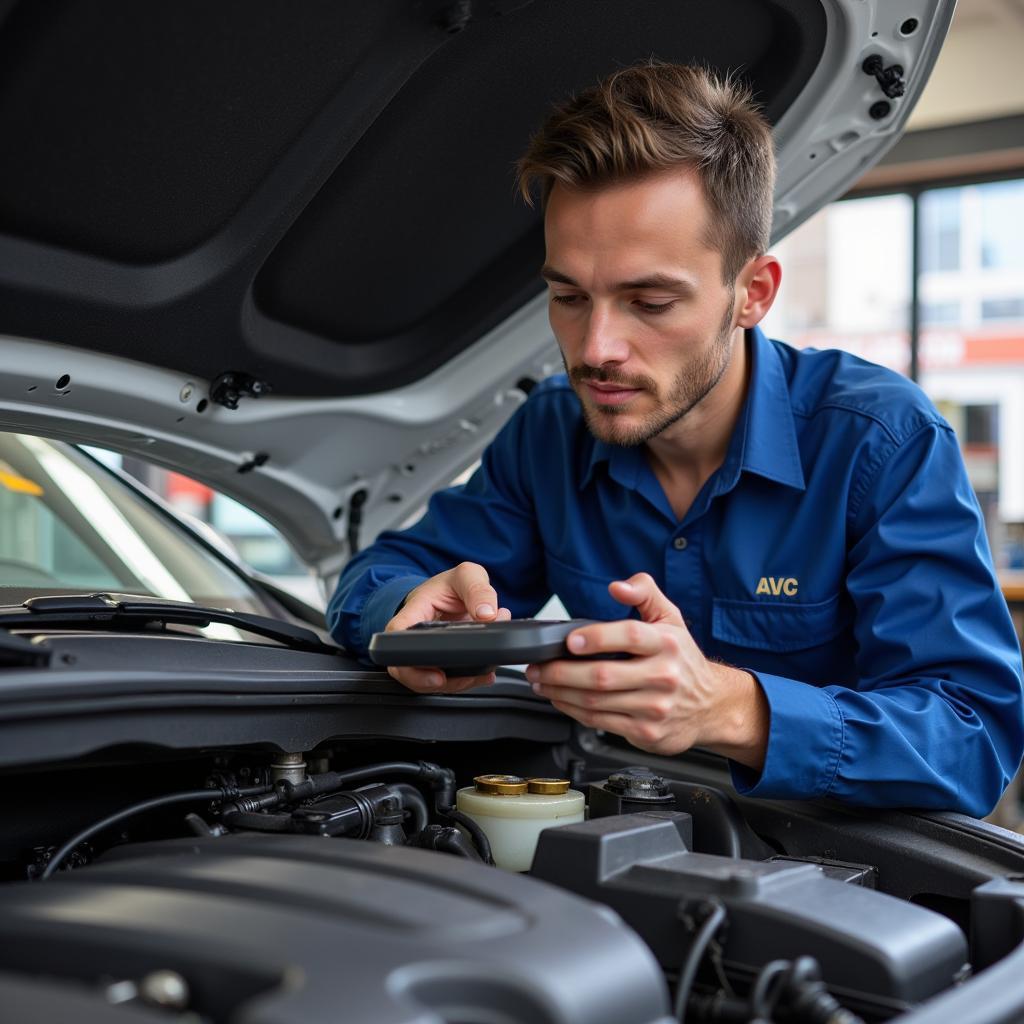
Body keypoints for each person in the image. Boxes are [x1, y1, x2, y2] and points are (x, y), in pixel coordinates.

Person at [328, 62, 1024, 816]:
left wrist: (730, 710)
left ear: (751, 293)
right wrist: (406, 613)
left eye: (649, 301)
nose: (595, 348)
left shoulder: (881, 443)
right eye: (567, 296)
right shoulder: (549, 433)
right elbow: (382, 577)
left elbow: (974, 734)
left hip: (830, 875)